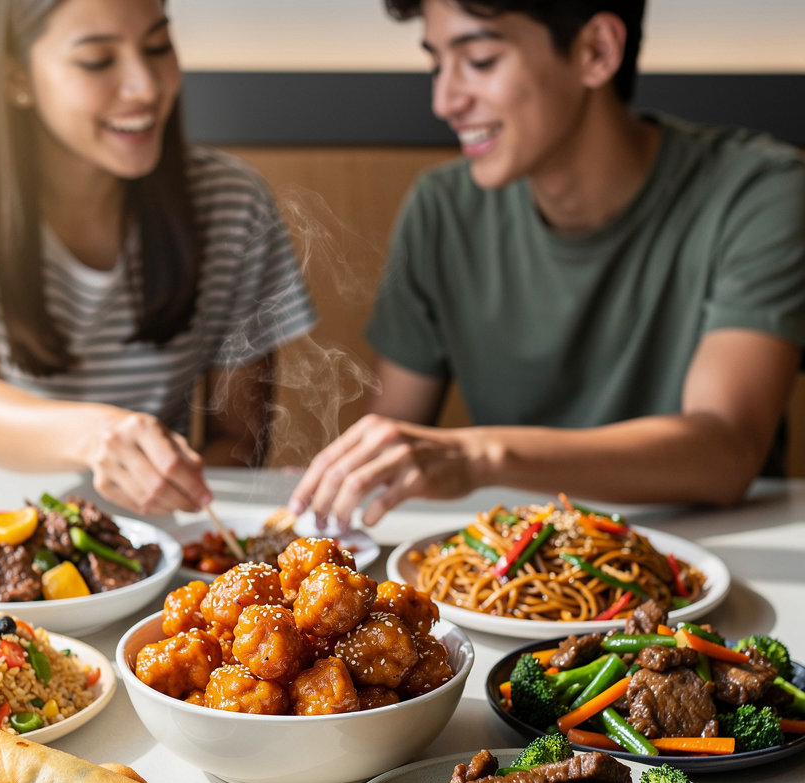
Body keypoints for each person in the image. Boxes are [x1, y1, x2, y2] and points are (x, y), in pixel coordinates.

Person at [290, 0, 805, 530]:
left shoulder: (757, 192)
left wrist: (480, 456)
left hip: (721, 558)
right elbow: (390, 438)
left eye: (481, 60)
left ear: (596, 52)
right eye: (436, 64)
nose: (444, 101)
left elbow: (726, 449)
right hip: (507, 583)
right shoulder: (442, 208)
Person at [0, 0, 315, 515]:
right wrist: (100, 436)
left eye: (158, 47)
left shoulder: (233, 200)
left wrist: (169, 514)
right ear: (14, 76)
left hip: (146, 536)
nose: (145, 86)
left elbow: (239, 437)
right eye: (97, 61)